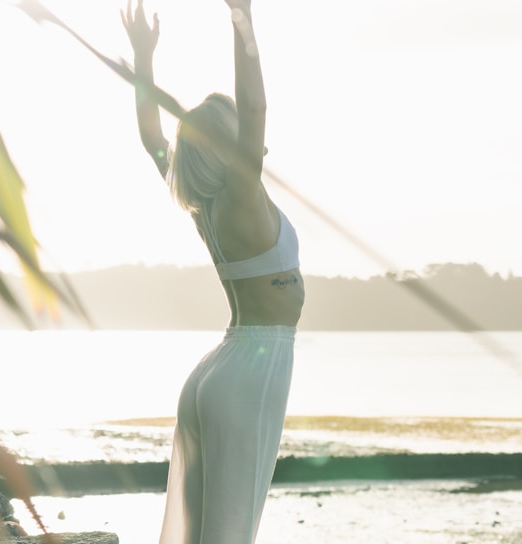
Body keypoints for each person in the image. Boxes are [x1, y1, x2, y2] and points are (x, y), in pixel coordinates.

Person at [121, 1, 305, 542]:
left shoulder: (210, 210)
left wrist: (143, 60)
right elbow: (256, 104)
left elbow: (152, 138)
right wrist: (241, 17)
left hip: (221, 368)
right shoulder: (241, 197)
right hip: (250, 370)